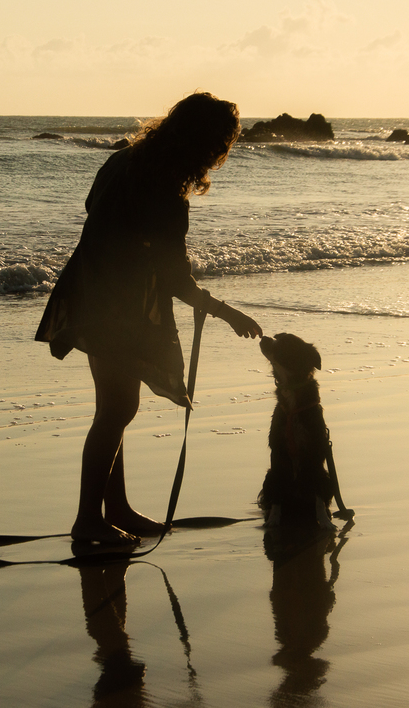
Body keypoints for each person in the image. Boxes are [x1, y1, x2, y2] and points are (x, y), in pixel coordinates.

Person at [36, 91, 263, 544]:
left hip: (88, 288)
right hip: (120, 306)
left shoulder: (122, 160)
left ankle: (115, 508)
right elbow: (176, 278)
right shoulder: (167, 189)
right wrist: (226, 313)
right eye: (222, 143)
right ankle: (87, 520)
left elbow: (92, 209)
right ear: (206, 143)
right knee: (119, 409)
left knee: (113, 408)